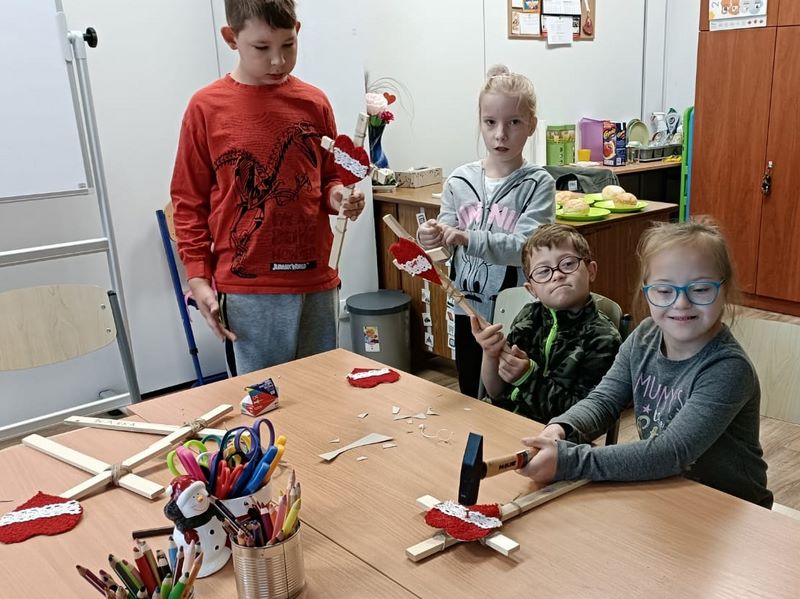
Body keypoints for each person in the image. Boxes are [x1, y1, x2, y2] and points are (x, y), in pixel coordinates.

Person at [518, 218, 773, 508]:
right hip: (664, 489)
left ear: (725, 290)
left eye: (701, 289)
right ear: (647, 291)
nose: (681, 303)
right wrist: (561, 428)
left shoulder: (728, 368)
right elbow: (604, 401)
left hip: (733, 508)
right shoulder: (644, 336)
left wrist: (569, 462)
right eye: (664, 290)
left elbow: (670, 453)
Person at [170, 0, 365, 375]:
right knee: (261, 397)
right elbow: (188, 200)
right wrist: (198, 277)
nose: (278, 61)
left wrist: (339, 197)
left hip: (316, 279)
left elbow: (328, 178)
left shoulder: (314, 103)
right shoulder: (206, 107)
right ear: (231, 38)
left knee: (320, 390)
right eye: (261, 47)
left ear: (298, 31)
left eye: (288, 45)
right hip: (248, 291)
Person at [417, 64, 555, 398]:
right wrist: (431, 237)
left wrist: (468, 237)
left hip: (517, 311)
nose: (500, 134)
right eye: (490, 122)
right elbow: (444, 248)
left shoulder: (538, 184)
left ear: (532, 125)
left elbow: (526, 248)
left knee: (509, 396)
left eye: (514, 122)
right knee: (470, 392)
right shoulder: (459, 180)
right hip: (467, 309)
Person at [471, 224, 620, 423]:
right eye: (543, 271)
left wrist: (527, 378)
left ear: (591, 271)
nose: (557, 275)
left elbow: (584, 417)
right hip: (501, 422)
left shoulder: (603, 338)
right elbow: (496, 392)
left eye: (568, 264)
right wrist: (490, 353)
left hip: (554, 437)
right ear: (531, 290)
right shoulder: (528, 317)